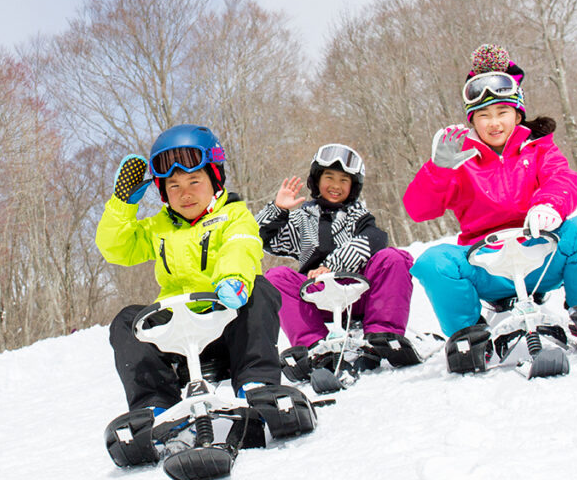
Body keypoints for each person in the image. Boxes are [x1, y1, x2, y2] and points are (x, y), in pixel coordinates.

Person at [403, 44, 577, 374]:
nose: (494, 123)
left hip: (540, 254)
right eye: (484, 116)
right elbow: (419, 210)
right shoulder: (458, 160)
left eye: (502, 113)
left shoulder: (538, 149)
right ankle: (469, 337)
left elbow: (562, 179)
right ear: (472, 120)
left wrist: (548, 204)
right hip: (486, 265)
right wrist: (438, 170)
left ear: (517, 114)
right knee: (433, 262)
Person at [97, 124, 286, 413]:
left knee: (259, 289)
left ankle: (257, 384)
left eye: (194, 181)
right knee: (127, 320)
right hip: (177, 335)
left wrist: (233, 279)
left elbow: (241, 245)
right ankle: (154, 406)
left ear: (214, 180)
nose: (185, 193)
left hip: (226, 323)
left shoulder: (233, 215)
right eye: (174, 186)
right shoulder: (158, 227)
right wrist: (123, 206)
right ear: (163, 192)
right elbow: (116, 249)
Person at [255, 143, 418, 370]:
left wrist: (332, 266)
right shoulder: (302, 220)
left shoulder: (358, 216)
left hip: (358, 293)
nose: (335, 185)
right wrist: (277, 210)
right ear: (317, 180)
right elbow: (258, 238)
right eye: (329, 177)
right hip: (317, 297)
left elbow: (375, 239)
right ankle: (313, 345)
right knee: (276, 276)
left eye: (344, 180)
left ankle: (383, 334)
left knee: (394, 258)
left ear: (353, 186)